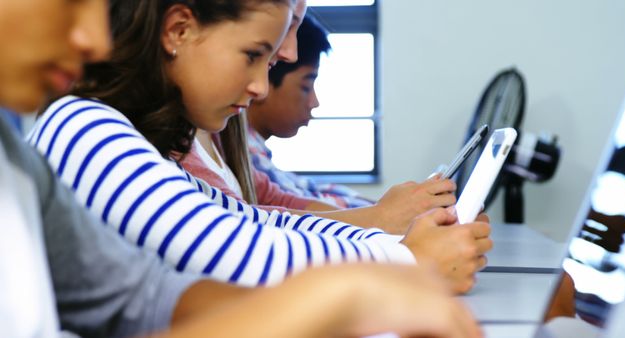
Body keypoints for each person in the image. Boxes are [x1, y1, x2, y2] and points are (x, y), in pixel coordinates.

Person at [0, 0, 486, 337]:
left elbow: (236, 231)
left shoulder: (18, 158)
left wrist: (389, 259)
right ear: (177, 30)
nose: (95, 40)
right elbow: (228, 253)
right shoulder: (78, 123)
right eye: (256, 54)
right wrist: (393, 267)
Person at [181, 16, 459, 233]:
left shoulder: (218, 133)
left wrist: (382, 216)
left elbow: (270, 201)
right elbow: (241, 229)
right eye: (253, 55)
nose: (288, 51)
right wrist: (379, 219)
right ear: (179, 32)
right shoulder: (177, 144)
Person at [245, 18, 374, 208]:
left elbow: (303, 189)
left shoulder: (257, 155)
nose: (315, 102)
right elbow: (287, 203)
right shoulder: (244, 152)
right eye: (306, 86)